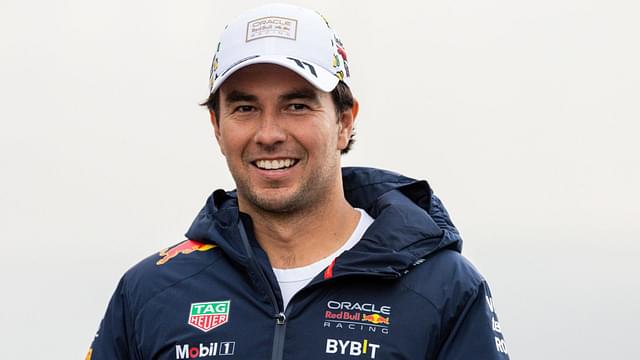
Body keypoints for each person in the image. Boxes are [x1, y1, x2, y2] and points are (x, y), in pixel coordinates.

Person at [87, 3, 509, 359]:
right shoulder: (150, 291)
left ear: (344, 121)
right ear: (217, 126)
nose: (269, 134)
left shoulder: (444, 288)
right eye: (245, 108)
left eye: (296, 105)